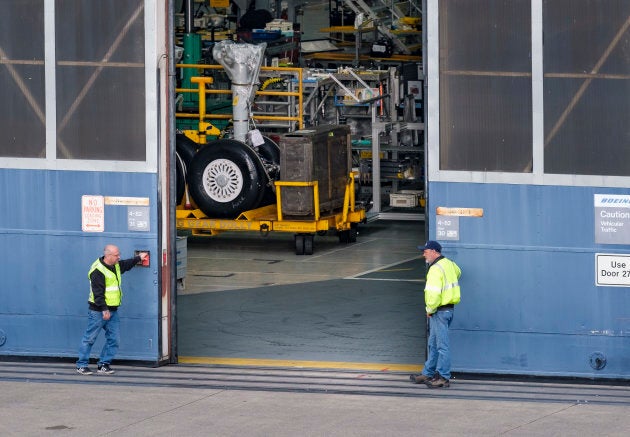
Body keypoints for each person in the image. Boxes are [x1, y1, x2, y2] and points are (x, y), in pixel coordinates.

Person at [76, 245, 148, 375]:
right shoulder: (97, 271)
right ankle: (82, 365)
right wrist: (104, 310)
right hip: (99, 311)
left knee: (114, 339)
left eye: (118, 254)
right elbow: (98, 293)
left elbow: (125, 264)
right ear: (108, 256)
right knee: (90, 338)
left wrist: (138, 258)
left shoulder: (115, 265)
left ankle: (104, 364)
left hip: (112, 310)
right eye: (116, 255)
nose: (119, 257)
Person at [410, 240, 461, 388]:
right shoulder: (449, 264)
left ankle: (443, 378)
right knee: (433, 344)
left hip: (439, 311)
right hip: (448, 310)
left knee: (441, 346)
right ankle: (428, 373)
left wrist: (429, 310)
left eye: (425, 251)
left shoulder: (435, 269)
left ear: (434, 251)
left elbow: (433, 294)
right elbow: (459, 272)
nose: (423, 253)